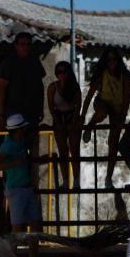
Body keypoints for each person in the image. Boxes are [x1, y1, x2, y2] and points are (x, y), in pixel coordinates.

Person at [0, 114, 41, 257]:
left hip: (24, 188)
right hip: (17, 190)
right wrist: (17, 162)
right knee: (19, 229)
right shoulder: (8, 145)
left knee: (32, 228)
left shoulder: (18, 142)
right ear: (18, 130)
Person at [82, 46, 130, 188]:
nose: (111, 62)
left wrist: (122, 116)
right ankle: (90, 126)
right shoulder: (102, 74)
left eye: (114, 59)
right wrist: (82, 116)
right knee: (102, 112)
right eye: (108, 60)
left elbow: (127, 98)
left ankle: (108, 178)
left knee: (113, 142)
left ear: (118, 60)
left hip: (118, 108)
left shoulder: (125, 75)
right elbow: (89, 96)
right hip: (103, 103)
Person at [0, 32, 46, 130]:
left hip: (32, 110)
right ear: (16, 45)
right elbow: (1, 89)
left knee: (32, 140)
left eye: (28, 44)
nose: (25, 47)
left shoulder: (34, 61)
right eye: (22, 44)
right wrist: (2, 114)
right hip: (14, 111)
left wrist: (41, 108)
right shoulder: (9, 63)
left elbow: (40, 87)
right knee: (16, 140)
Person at [47, 60, 82, 188]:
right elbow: (51, 106)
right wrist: (57, 121)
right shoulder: (52, 87)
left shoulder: (74, 86)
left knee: (74, 150)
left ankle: (77, 181)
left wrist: (74, 121)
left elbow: (78, 105)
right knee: (62, 151)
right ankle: (66, 181)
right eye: (59, 71)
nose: (62, 74)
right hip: (59, 119)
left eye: (64, 71)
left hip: (72, 117)